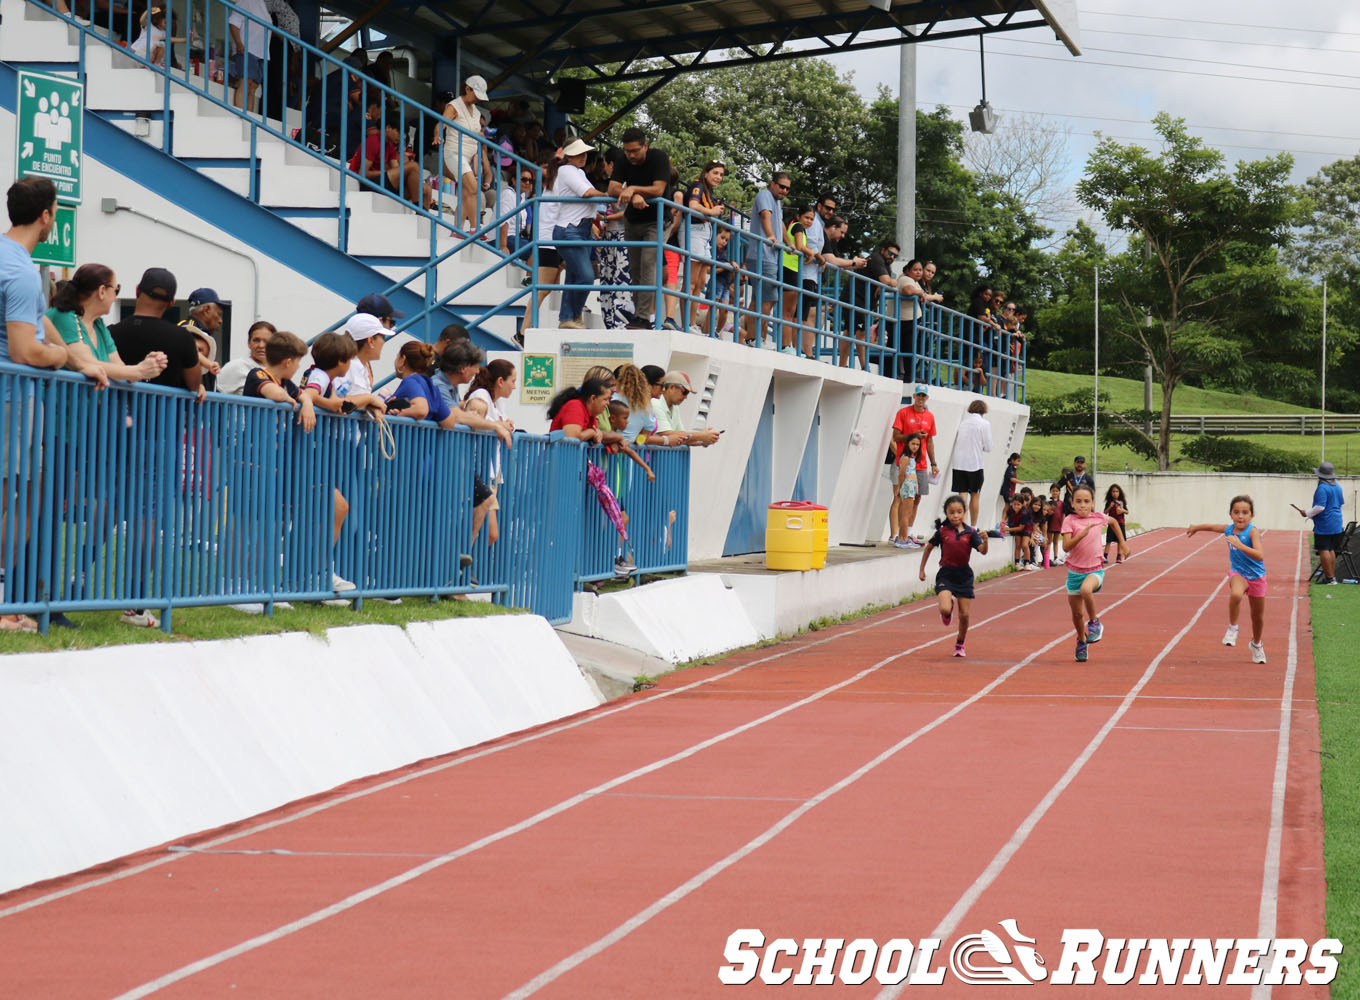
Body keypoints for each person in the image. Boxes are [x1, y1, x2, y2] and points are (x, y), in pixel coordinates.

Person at [245, 329, 354, 595]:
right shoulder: (259, 374)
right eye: (297, 362)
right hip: (257, 462)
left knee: (336, 503)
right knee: (267, 526)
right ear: (287, 362)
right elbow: (273, 393)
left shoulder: (289, 383)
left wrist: (305, 401)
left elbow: (305, 394)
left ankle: (318, 572)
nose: (298, 368)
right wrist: (296, 399)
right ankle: (261, 587)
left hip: (284, 463)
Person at [45, 264, 167, 383]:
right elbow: (86, 363)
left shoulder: (98, 324)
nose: (115, 298)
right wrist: (140, 370)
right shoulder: (64, 316)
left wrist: (146, 367)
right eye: (116, 290)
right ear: (102, 291)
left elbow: (120, 369)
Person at [1187, 495, 1268, 663]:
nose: (1240, 516)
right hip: (1238, 573)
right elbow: (1211, 526)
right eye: (1236, 512)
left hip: (1257, 577)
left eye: (1245, 512)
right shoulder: (1229, 530)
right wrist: (1196, 527)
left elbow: (1260, 556)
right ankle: (1233, 627)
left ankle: (1257, 644)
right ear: (1230, 514)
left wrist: (1239, 545)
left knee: (1257, 617)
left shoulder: (1252, 532)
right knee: (1236, 595)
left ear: (1251, 516)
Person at [608, 129, 671, 329]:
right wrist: (631, 193)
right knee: (635, 268)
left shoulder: (659, 157)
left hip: (657, 219)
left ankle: (644, 317)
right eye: (627, 151)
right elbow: (612, 188)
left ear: (645, 146)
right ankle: (639, 314)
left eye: (635, 151)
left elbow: (658, 189)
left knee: (648, 263)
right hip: (632, 220)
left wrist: (633, 188)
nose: (631, 155)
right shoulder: (622, 159)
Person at [1062, 484, 1129, 663]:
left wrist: (1122, 544)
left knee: (1086, 590)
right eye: (1078, 501)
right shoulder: (1069, 520)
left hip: (1095, 570)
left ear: (1092, 503)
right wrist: (1081, 534)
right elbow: (1066, 546)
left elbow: (1114, 522)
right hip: (1074, 572)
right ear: (1072, 503)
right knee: (1076, 615)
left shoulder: (1098, 517)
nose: (1083, 505)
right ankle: (1082, 640)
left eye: (1086, 501)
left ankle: (1095, 623)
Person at [109, 268, 202, 394]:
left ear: (137, 291)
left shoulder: (109, 333)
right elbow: (194, 385)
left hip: (115, 411)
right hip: (165, 412)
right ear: (171, 303)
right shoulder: (182, 337)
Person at [918, 495, 988, 658]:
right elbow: (928, 548)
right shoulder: (942, 532)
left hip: (964, 575)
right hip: (946, 574)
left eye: (959, 512)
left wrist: (985, 540)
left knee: (964, 614)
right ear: (946, 514)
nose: (955, 516)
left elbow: (983, 550)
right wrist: (922, 570)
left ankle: (960, 643)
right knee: (944, 608)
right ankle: (948, 608)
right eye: (951, 513)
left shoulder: (971, 533)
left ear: (964, 512)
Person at [552, 138, 609, 329]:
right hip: (571, 230)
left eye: (584, 153)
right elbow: (586, 193)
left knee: (575, 276)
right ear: (569, 156)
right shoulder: (567, 170)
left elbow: (585, 197)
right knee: (585, 276)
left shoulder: (575, 171)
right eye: (579, 153)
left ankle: (568, 317)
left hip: (578, 229)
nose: (583, 156)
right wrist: (610, 196)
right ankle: (573, 315)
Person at [462, 359, 516, 545]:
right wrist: (500, 427)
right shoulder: (480, 396)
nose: (514, 387)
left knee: (486, 533)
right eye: (513, 381)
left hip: (492, 469)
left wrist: (502, 426)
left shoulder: (497, 400)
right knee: (490, 533)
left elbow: (505, 425)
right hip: (480, 466)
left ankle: (466, 567)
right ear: (501, 381)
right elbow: (478, 425)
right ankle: (461, 565)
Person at [436, 77, 494, 234]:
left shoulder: (476, 112)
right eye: (476, 94)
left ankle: (457, 230)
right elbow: (441, 123)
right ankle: (475, 229)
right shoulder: (454, 105)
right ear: (467, 89)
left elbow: (475, 132)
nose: (477, 99)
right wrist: (437, 135)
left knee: (466, 192)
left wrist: (481, 137)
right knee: (473, 189)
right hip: (454, 153)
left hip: (468, 156)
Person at [740, 172, 789, 345]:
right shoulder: (765, 195)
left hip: (770, 257)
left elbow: (780, 223)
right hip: (762, 255)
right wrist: (770, 235)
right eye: (781, 186)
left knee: (761, 299)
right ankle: (754, 337)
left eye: (787, 188)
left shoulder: (776, 201)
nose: (784, 191)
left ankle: (754, 337)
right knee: (768, 298)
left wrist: (789, 243)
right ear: (772, 183)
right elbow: (765, 216)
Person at [349, 100, 427, 207]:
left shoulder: (389, 146)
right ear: (388, 128)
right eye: (399, 132)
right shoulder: (373, 141)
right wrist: (386, 172)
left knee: (426, 189)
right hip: (368, 185)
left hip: (383, 183)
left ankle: (423, 218)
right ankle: (419, 207)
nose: (400, 137)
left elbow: (396, 170)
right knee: (413, 166)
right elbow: (362, 174)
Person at [890, 385, 939, 547]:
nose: (920, 398)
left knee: (916, 500)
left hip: (921, 464)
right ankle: (897, 535)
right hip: (905, 462)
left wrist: (933, 463)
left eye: (923, 396)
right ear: (913, 396)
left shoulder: (930, 416)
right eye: (918, 395)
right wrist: (913, 436)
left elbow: (930, 441)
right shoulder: (903, 413)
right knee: (901, 499)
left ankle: (908, 534)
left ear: (927, 398)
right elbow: (896, 436)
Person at [837, 241, 898, 370]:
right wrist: (893, 282)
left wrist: (881, 285)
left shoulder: (886, 264)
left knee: (849, 331)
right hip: (855, 298)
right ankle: (864, 366)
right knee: (861, 332)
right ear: (883, 250)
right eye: (890, 253)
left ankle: (843, 364)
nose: (892, 257)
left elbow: (883, 281)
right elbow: (886, 280)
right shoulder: (877, 259)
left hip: (860, 300)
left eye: (895, 256)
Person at [684, 161, 726, 321]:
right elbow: (693, 205)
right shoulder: (698, 185)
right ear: (706, 173)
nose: (718, 177)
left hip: (704, 235)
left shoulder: (708, 191)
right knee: (691, 283)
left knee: (700, 283)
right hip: (694, 231)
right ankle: (687, 324)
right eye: (715, 173)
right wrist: (711, 211)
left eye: (721, 174)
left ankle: (692, 323)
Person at [1298, 461, 1345, 585]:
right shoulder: (1337, 487)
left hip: (1325, 523)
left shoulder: (1322, 488)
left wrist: (1306, 513)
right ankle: (1332, 576)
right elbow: (1341, 504)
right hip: (1336, 522)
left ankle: (1329, 578)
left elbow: (1320, 507)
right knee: (1331, 549)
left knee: (1323, 549)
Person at [779, 205, 817, 357]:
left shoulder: (800, 228)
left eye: (812, 219)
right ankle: (785, 345)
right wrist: (811, 254)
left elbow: (804, 246)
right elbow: (801, 246)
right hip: (788, 268)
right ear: (799, 216)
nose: (809, 221)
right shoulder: (798, 226)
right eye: (807, 217)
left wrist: (811, 254)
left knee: (791, 311)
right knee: (788, 311)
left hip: (792, 269)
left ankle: (789, 346)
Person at [332, 312, 388, 415]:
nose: (383, 342)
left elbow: (355, 400)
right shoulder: (348, 365)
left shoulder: (360, 366)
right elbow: (340, 402)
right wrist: (370, 399)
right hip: (339, 430)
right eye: (382, 337)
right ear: (370, 340)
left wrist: (372, 406)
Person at [389, 341, 456, 426]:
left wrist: (399, 415)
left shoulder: (410, 381)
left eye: (397, 357)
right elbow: (449, 422)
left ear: (403, 359)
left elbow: (421, 409)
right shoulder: (431, 386)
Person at [951, 398, 992, 527]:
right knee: (975, 495)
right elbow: (989, 447)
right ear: (984, 410)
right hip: (975, 463)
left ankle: (962, 525)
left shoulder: (963, 422)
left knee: (962, 496)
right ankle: (973, 526)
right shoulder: (984, 424)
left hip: (959, 463)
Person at [651, 371, 720, 446]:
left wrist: (704, 440)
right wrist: (701, 436)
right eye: (685, 392)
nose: (686, 397)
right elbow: (668, 434)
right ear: (671, 387)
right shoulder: (655, 403)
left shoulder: (675, 407)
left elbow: (683, 437)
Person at [228, 0, 270, 112]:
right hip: (248, 49)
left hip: (261, 53)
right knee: (245, 82)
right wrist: (239, 43)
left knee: (253, 87)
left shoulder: (263, 5)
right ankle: (240, 115)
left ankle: (249, 117)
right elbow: (233, 23)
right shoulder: (246, 1)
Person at [218, 319, 274, 394]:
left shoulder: (278, 371)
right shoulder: (236, 366)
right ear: (249, 343)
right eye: (256, 340)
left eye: (266, 341)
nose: (261, 345)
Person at [893, 433, 923, 548]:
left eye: (917, 444)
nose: (915, 446)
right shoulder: (905, 458)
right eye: (913, 443)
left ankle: (902, 538)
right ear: (908, 444)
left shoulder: (912, 458)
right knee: (906, 514)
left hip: (912, 485)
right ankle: (904, 539)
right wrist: (899, 488)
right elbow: (901, 474)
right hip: (907, 485)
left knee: (907, 513)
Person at [1004, 494, 1036, 570]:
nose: (1016, 506)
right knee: (1017, 545)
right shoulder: (1010, 510)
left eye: (1018, 504)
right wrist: (1003, 523)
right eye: (1014, 504)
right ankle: (1017, 564)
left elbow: (1021, 528)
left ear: (1022, 504)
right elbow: (1006, 518)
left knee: (1024, 545)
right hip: (1016, 527)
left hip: (1026, 528)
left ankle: (1027, 563)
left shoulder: (1024, 513)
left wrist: (1008, 529)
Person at [1103, 484, 1129, 565]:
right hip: (1111, 524)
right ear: (1110, 493)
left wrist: (1122, 510)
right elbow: (1105, 512)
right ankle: (1105, 556)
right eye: (1113, 491)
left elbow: (1127, 512)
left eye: (1117, 491)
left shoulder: (1122, 502)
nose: (1115, 493)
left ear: (1119, 493)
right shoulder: (1109, 502)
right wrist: (1110, 507)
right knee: (1109, 541)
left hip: (1120, 524)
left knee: (1120, 541)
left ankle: (1119, 556)